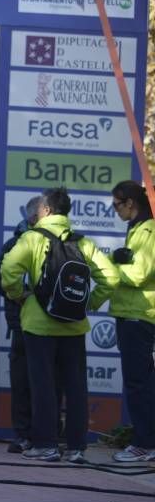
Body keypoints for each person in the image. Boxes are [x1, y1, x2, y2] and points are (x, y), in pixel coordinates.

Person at [1, 187, 118, 463]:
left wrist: (19, 295)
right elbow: (111, 278)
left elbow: (8, 272)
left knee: (43, 386)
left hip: (38, 325)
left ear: (47, 210)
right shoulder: (83, 242)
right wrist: (87, 303)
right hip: (74, 326)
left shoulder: (30, 238)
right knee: (76, 387)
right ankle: (77, 447)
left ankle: (45, 445)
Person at [106, 180, 155, 462]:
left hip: (139, 315)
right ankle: (146, 440)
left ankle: (144, 444)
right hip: (130, 313)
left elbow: (138, 275)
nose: (115, 210)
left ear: (130, 203)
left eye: (116, 205)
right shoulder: (136, 228)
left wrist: (110, 266)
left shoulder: (149, 229)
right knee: (141, 382)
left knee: (138, 383)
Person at [0, 196, 41, 453]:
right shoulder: (14, 244)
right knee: (22, 383)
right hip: (21, 325)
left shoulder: (56, 243)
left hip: (51, 326)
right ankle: (22, 434)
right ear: (34, 217)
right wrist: (21, 295)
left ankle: (46, 435)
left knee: (46, 383)